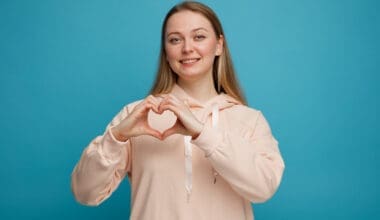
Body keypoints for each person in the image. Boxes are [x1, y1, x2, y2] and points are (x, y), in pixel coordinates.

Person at [71, 1, 285, 219]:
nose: (187, 48)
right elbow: (84, 192)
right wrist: (116, 137)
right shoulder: (136, 115)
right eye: (175, 39)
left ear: (219, 45)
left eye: (199, 37)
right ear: (166, 51)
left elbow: (264, 188)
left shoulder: (250, 120)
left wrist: (203, 134)